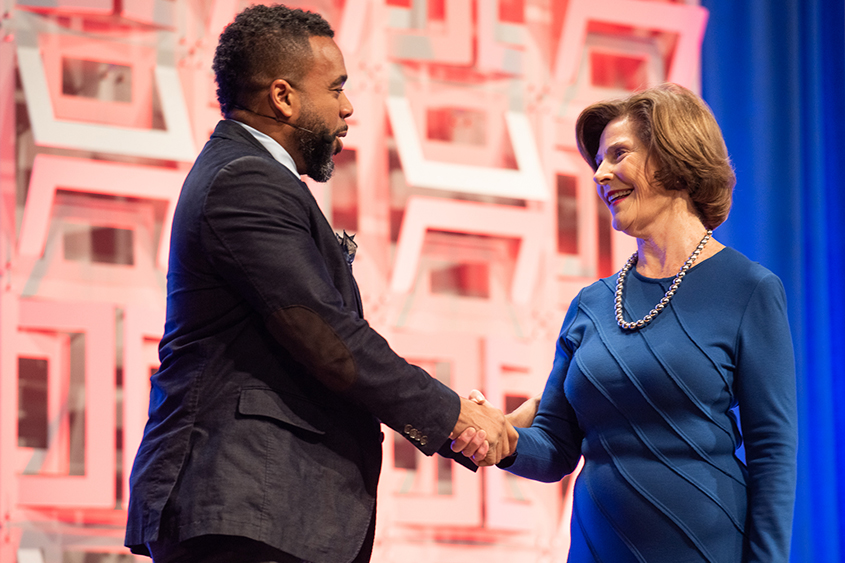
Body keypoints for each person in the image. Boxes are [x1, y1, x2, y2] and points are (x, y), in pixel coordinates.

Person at [123, 5, 511, 563]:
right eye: (336, 89)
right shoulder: (245, 180)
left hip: (264, 513)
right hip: (245, 512)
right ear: (283, 97)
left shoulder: (247, 175)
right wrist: (453, 416)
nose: (347, 108)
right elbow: (326, 336)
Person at [462, 83, 798, 562]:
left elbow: (773, 455)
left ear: (673, 157)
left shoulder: (749, 290)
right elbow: (556, 447)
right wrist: (502, 438)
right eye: (598, 160)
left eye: (619, 154)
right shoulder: (590, 304)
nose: (601, 174)